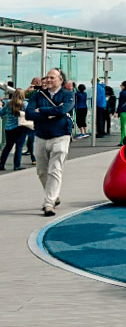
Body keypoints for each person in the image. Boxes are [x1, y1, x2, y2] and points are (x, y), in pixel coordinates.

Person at [24, 68, 75, 216]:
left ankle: (49, 203)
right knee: (41, 171)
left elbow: (63, 110)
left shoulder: (68, 94)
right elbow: (29, 114)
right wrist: (50, 113)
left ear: (61, 80)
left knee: (55, 169)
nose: (48, 80)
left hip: (61, 136)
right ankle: (54, 194)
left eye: (52, 77)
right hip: (41, 136)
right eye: (47, 77)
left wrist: (42, 111)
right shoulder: (38, 95)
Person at [0, 88, 29, 171]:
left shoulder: (8, 104)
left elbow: (1, 113)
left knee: (8, 147)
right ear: (23, 95)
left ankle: (1, 164)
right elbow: (29, 114)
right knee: (19, 147)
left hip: (9, 128)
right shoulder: (24, 104)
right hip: (21, 128)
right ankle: (17, 166)